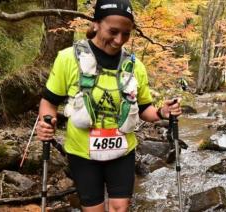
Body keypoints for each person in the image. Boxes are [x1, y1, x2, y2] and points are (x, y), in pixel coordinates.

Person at [36, 0, 182, 211]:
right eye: (113, 31)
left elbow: (144, 110)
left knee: (119, 208)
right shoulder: (68, 59)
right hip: (82, 152)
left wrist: (162, 112)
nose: (119, 40)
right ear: (95, 24)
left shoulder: (135, 66)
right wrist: (45, 123)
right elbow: (49, 102)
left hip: (122, 151)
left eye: (126, 34)